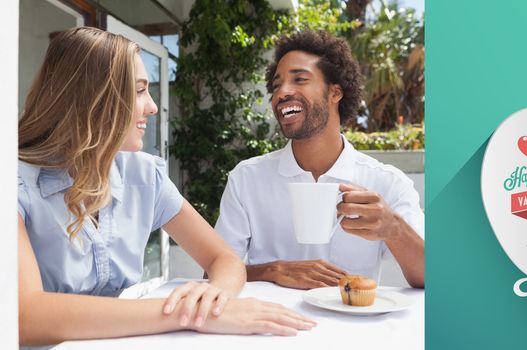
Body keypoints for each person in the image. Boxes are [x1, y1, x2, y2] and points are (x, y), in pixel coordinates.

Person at [18, 27, 314, 347]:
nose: (153, 107)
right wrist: (187, 314)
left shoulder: (145, 175)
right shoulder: (16, 183)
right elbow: (25, 315)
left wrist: (213, 297)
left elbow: (224, 259)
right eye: (140, 90)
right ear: (94, 96)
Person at [215, 31, 424, 290]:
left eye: (300, 79)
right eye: (276, 85)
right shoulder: (246, 179)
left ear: (335, 93)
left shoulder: (386, 182)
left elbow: (431, 277)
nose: (282, 93)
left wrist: (394, 228)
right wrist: (274, 270)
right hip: (269, 328)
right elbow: (214, 271)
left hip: (353, 327)